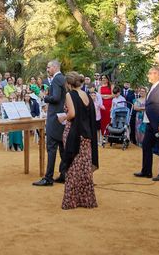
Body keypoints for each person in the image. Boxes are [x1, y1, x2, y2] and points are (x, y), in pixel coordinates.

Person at [61, 72, 98, 210]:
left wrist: (62, 118)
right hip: (87, 135)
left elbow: (72, 114)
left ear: (69, 84)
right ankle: (86, 200)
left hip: (74, 133)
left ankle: (71, 201)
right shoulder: (87, 95)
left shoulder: (70, 95)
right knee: (84, 168)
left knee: (72, 167)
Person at [134, 67, 159, 181]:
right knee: (146, 145)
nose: (148, 75)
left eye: (150, 73)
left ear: (157, 74)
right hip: (150, 123)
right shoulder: (153, 87)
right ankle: (146, 171)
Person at [34, 59, 67, 186]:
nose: (47, 70)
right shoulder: (62, 79)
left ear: (54, 67)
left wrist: (44, 97)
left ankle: (48, 178)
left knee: (51, 147)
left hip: (55, 118)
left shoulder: (57, 79)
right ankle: (63, 174)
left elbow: (56, 98)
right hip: (61, 117)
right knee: (62, 148)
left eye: (48, 67)